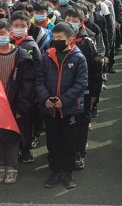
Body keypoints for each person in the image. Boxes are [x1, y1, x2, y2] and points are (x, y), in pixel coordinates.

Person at [36, 22, 87, 190]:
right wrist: (45, 97)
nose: (56, 40)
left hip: (69, 109)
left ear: (70, 39)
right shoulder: (46, 57)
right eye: (54, 37)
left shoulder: (78, 58)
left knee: (69, 142)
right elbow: (39, 80)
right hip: (50, 109)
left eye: (60, 38)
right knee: (53, 142)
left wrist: (64, 100)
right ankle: (55, 171)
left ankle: (68, 172)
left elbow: (81, 83)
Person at [0, 19, 35, 184]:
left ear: (11, 34)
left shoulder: (21, 57)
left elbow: (27, 85)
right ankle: (0, 166)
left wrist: (21, 107)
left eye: (2, 33)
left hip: (14, 104)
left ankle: (12, 167)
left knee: (13, 137)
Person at [64, 7, 102, 170]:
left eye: (74, 21)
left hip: (84, 91)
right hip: (64, 91)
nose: (70, 23)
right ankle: (67, 152)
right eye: (68, 20)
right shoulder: (58, 40)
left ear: (81, 23)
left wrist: (95, 93)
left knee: (82, 121)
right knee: (66, 123)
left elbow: (96, 68)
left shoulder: (87, 42)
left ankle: (79, 153)